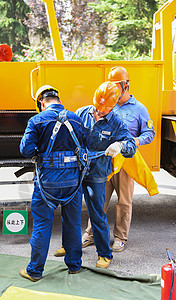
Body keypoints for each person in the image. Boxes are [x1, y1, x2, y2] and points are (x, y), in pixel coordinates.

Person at [54, 81, 136, 268]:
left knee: (97, 214)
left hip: (96, 174)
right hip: (75, 171)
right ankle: (69, 246)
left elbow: (131, 146)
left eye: (103, 110)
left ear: (112, 107)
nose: (98, 113)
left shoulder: (116, 123)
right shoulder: (82, 113)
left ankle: (104, 254)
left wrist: (120, 145)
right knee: (69, 211)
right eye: (97, 109)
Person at [82, 66, 155, 252]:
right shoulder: (108, 104)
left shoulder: (139, 109)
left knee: (124, 201)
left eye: (116, 86)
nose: (112, 90)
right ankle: (90, 234)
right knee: (99, 199)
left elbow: (150, 133)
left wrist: (133, 142)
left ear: (125, 85)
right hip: (105, 161)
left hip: (126, 161)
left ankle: (120, 237)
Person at [19, 85, 88, 281]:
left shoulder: (37, 120)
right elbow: (86, 146)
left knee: (42, 224)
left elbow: (26, 150)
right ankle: (74, 266)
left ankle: (34, 271)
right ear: (58, 99)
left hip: (47, 183)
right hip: (73, 182)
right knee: (73, 224)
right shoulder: (76, 118)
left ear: (42, 103)